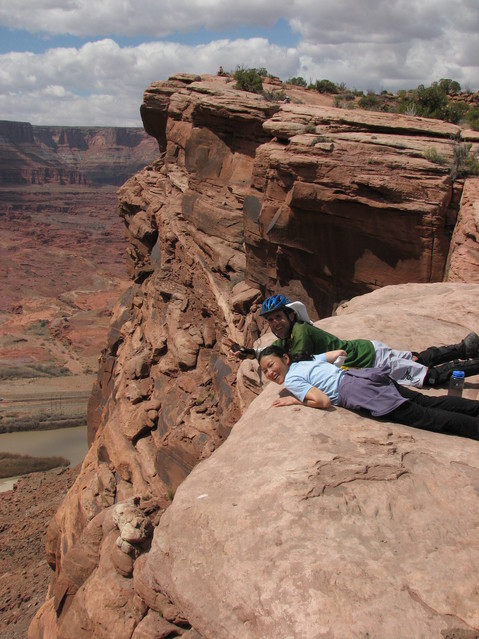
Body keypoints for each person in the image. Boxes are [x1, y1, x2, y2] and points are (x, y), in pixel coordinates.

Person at [229, 294, 479, 388]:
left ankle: (472, 362)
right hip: (368, 350)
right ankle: (464, 347)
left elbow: (296, 361)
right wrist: (250, 352)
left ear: (291, 315)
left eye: (279, 318)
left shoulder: (301, 334)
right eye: (270, 320)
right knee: (417, 359)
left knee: (432, 378)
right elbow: (274, 351)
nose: (275, 323)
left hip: (371, 360)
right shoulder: (292, 334)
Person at [258, 345, 479, 440]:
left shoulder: (293, 379)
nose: (269, 373)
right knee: (426, 401)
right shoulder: (305, 360)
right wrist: (332, 374)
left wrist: (296, 402)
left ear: (284, 358)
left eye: (271, 365)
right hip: (364, 376)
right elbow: (339, 353)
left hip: (359, 392)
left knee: (425, 417)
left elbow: (323, 401)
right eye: (264, 371)